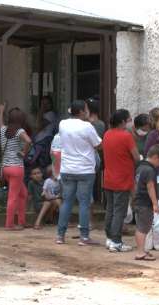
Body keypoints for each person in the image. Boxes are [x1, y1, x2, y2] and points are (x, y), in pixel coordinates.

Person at [56, 100, 102, 245]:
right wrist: (88, 121)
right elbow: (99, 145)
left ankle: (60, 235)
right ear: (82, 111)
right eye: (86, 109)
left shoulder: (63, 124)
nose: (87, 112)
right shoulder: (87, 126)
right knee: (84, 203)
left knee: (67, 202)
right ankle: (84, 237)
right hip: (85, 169)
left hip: (67, 169)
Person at [102, 109, 139, 252]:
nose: (130, 122)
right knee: (119, 211)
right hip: (122, 179)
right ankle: (116, 241)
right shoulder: (126, 136)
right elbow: (136, 157)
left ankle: (110, 238)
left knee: (110, 210)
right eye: (129, 120)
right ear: (123, 121)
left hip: (109, 179)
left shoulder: (107, 134)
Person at [0, 104, 32, 230]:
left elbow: (0, 123)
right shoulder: (20, 131)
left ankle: (22, 221)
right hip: (17, 168)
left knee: (23, 193)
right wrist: (24, 152)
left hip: (6, 168)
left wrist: (1, 111)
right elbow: (28, 141)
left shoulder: (3, 130)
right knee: (13, 197)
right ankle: (9, 224)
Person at [133, 145, 159, 261]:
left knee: (141, 226)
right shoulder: (150, 170)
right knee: (143, 227)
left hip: (138, 201)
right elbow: (150, 186)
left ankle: (142, 249)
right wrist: (155, 203)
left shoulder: (140, 167)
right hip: (145, 202)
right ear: (156, 157)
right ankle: (140, 252)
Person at [34, 165, 62, 229]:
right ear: (51, 173)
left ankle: (62, 221)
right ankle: (37, 223)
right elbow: (44, 192)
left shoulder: (59, 181)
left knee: (58, 201)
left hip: (55, 199)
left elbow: (61, 192)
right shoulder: (48, 181)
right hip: (48, 199)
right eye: (58, 172)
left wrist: (59, 195)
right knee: (50, 202)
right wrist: (46, 195)